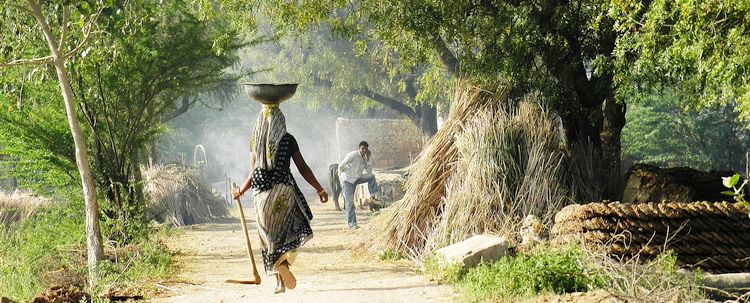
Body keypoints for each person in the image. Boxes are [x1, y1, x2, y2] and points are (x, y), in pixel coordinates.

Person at [233, 103, 328, 294]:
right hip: (284, 193)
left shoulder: (255, 141)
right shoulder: (288, 139)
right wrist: (320, 189)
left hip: (262, 197)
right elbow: (303, 168)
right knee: (288, 233)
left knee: (269, 239)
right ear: (280, 121)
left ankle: (279, 281)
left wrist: (240, 191)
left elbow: (253, 172)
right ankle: (284, 264)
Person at [338, 141, 380, 229]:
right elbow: (342, 164)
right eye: (362, 149)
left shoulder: (364, 158)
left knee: (371, 177)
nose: (364, 151)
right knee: (349, 203)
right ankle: (352, 223)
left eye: (365, 149)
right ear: (359, 148)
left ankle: (373, 195)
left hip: (357, 179)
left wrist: (368, 159)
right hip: (348, 181)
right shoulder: (353, 155)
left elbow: (369, 171)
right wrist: (342, 177)